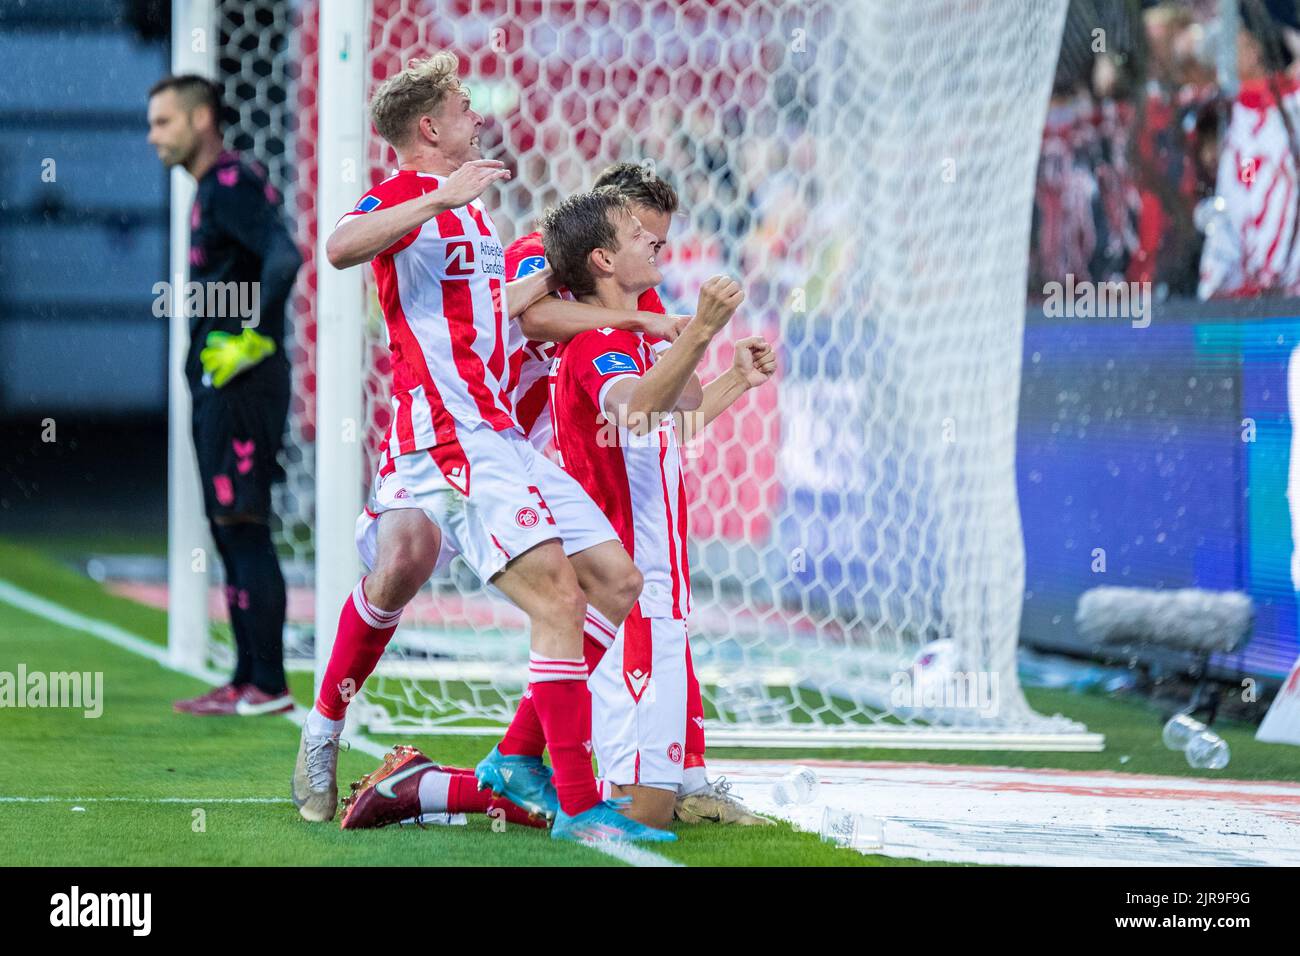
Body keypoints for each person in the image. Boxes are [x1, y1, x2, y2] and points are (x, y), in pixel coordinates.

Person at [290, 52, 671, 844]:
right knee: (540, 595)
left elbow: (492, 312)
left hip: (491, 430)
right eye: (465, 105)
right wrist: (434, 197)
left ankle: (517, 763)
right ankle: (571, 798)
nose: (478, 114)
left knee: (615, 580)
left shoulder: (475, 212)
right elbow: (340, 245)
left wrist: (614, 314)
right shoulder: (414, 192)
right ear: (430, 127)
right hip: (449, 435)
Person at [147, 75, 301, 717]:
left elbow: (285, 257)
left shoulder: (233, 184)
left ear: (201, 118)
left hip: (241, 383)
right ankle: (246, 678)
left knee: (244, 525)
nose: (153, 136)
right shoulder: (211, 188)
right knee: (228, 527)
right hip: (219, 379)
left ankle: (267, 684)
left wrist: (251, 336)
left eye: (163, 122)